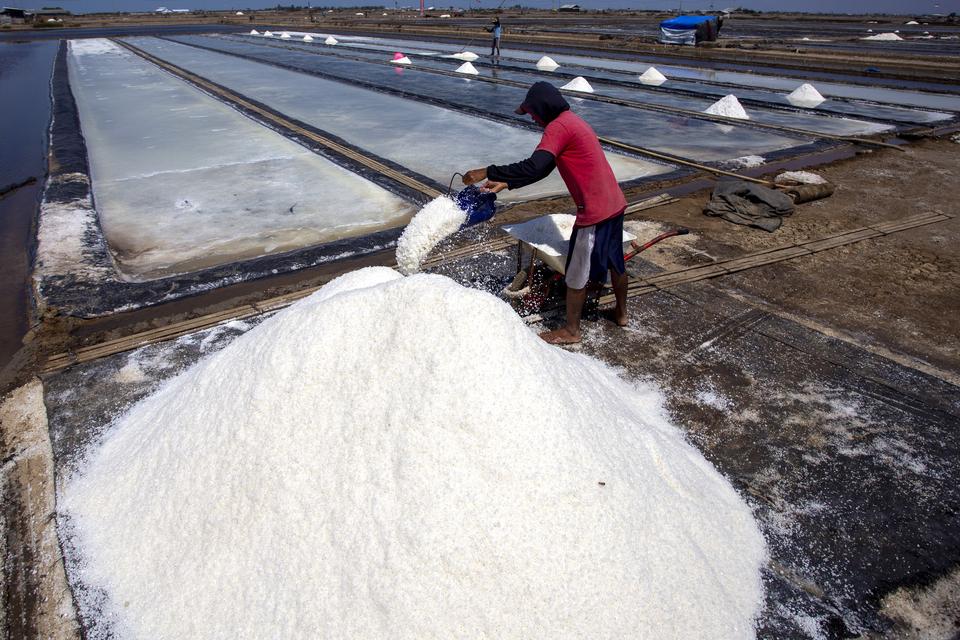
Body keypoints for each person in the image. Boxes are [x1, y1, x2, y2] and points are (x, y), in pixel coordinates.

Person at [462, 82, 628, 345]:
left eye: (532, 113)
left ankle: (572, 330)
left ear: (542, 109)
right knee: (615, 261)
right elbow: (543, 168)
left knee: (576, 271)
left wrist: (487, 171)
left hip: (595, 211)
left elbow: (532, 165)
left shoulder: (557, 127)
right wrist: (506, 183)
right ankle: (621, 314)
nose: (533, 118)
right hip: (614, 202)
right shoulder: (572, 121)